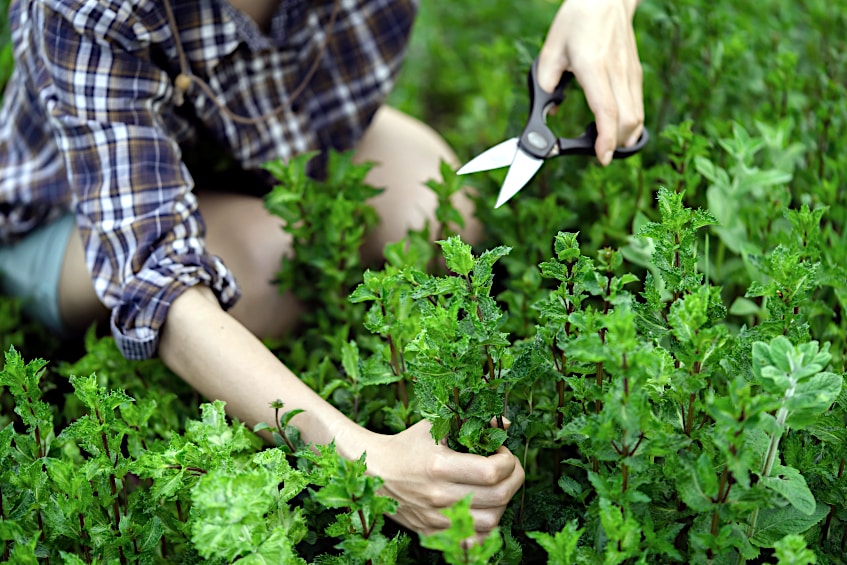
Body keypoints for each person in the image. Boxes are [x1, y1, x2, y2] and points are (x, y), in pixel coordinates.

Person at [0, 0, 643, 539]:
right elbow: (163, 283)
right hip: (75, 207)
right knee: (262, 264)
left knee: (437, 211)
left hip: (269, 139)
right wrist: (367, 462)